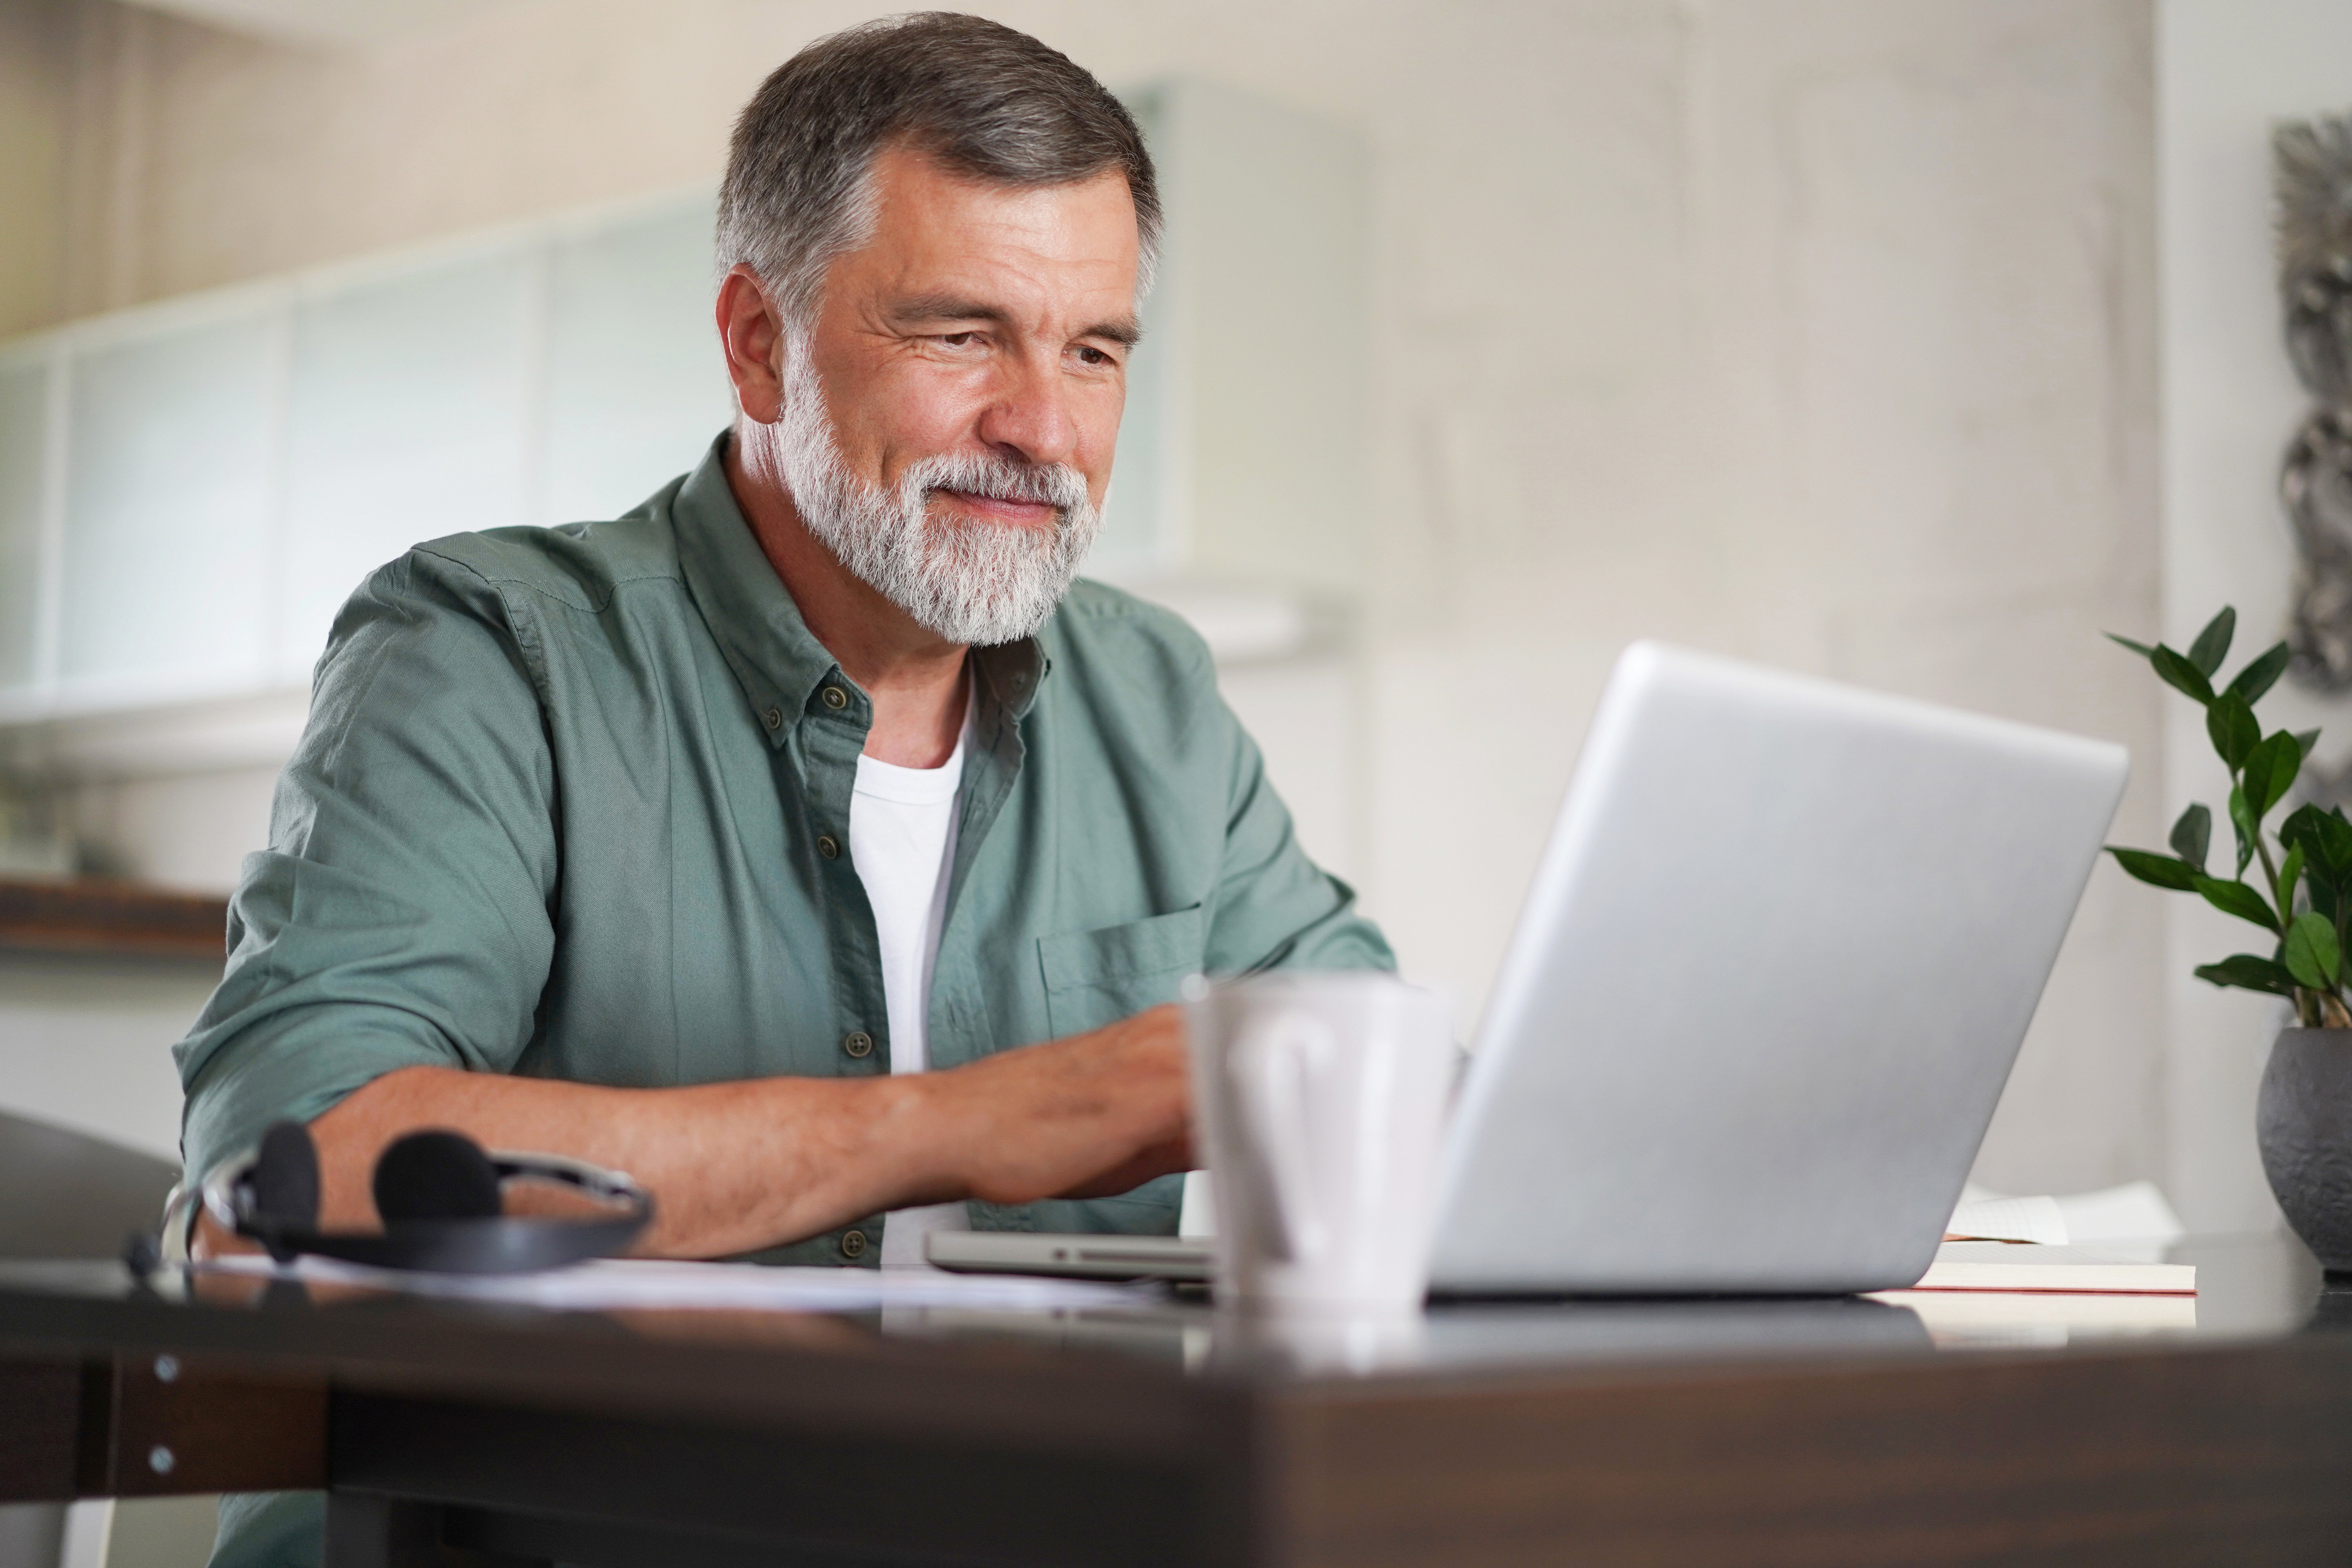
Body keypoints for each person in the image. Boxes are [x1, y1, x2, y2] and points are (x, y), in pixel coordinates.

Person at [178, 15, 1388, 1283]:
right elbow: (296, 1161)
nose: (1043, 426)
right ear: (762, 346)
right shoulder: (488, 650)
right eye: (960, 335)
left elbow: (1391, 1077)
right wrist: (980, 1121)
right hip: (578, 1482)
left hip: (1030, 1483)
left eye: (1093, 351)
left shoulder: (1158, 698)